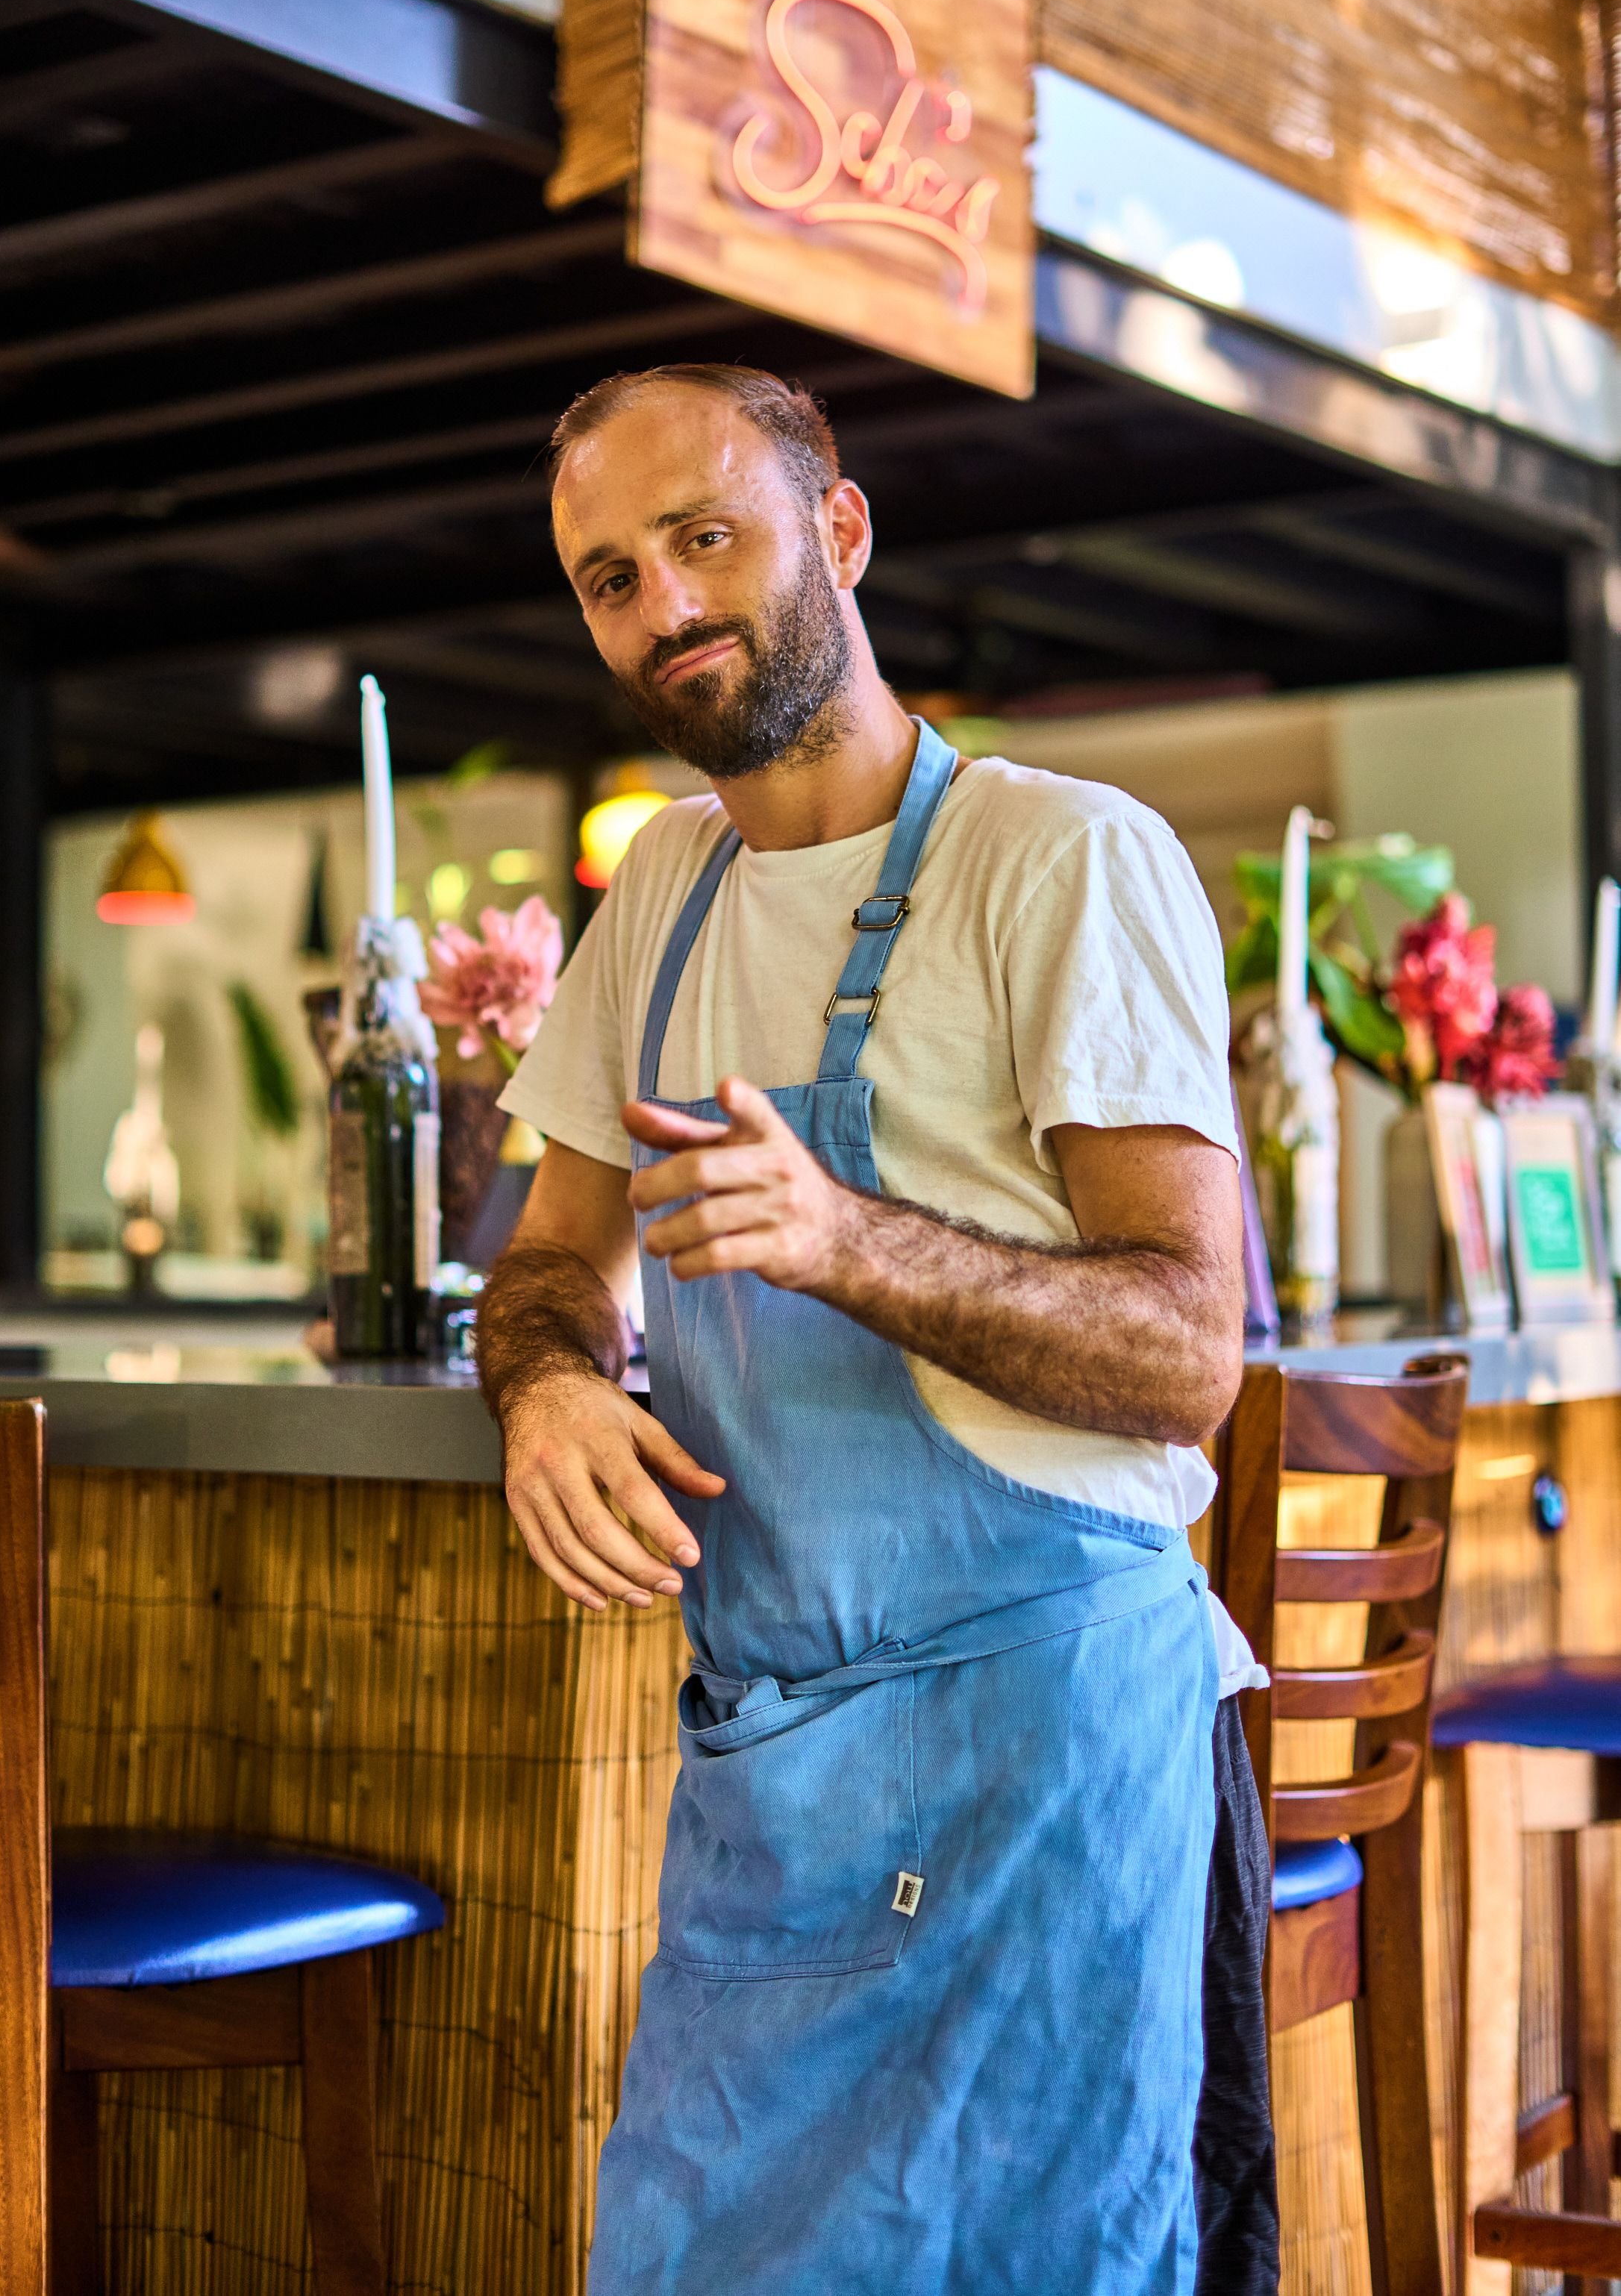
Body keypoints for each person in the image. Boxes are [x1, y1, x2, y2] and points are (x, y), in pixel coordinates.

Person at [477, 364, 1275, 2296]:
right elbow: (552, 1258)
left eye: (704, 537)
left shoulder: (1062, 856)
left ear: (837, 532)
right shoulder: (659, 892)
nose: (663, 605)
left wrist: (849, 1240)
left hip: (1051, 1768)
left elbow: (1190, 1349)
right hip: (779, 1780)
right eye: (608, 576)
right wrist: (551, 1383)